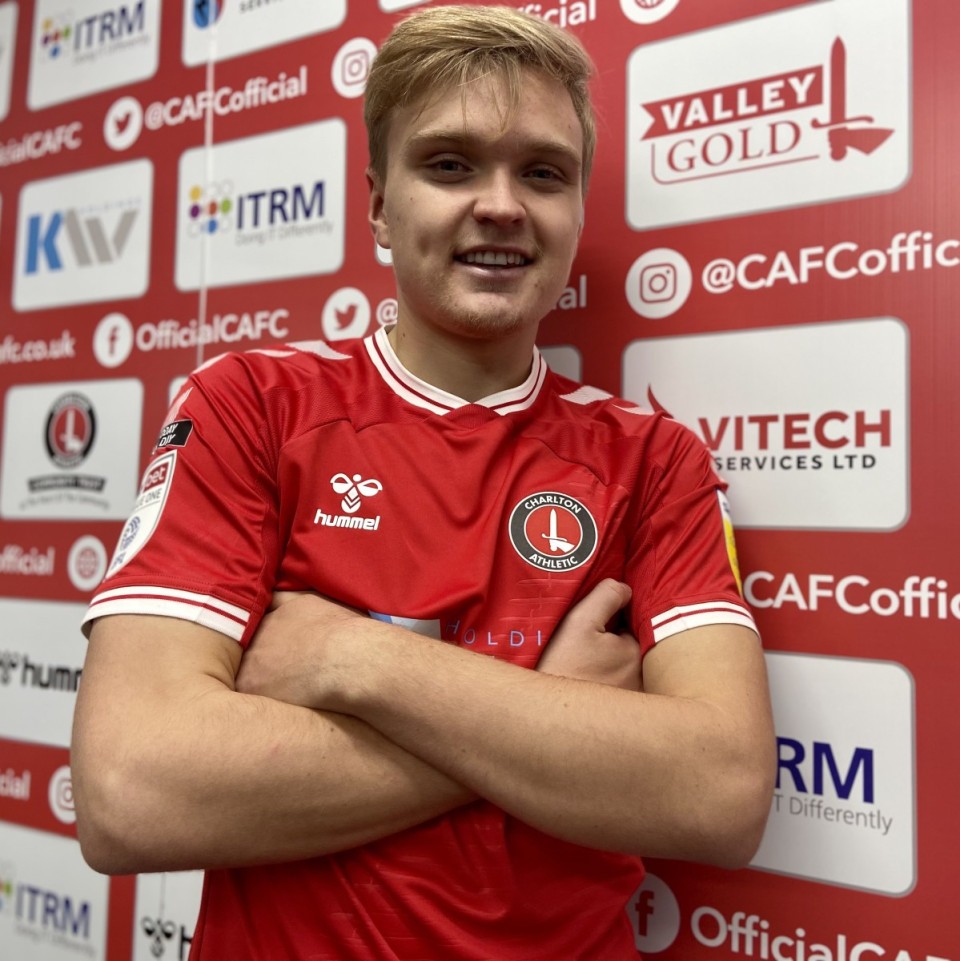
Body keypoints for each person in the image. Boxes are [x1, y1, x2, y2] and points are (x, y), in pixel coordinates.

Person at [71, 6, 776, 960]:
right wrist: (551, 714)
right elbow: (131, 790)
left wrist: (352, 661)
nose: (502, 204)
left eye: (544, 173)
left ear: (577, 207)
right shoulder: (250, 407)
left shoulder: (656, 458)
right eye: (449, 165)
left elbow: (722, 794)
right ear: (376, 205)